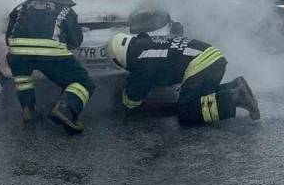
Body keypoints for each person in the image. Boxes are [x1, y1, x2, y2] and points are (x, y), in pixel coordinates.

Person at [4, 0, 96, 134]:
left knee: (23, 78)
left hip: (17, 54)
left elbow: (8, 36)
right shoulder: (66, 8)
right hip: (51, 55)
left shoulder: (21, 6)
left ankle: (28, 109)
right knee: (83, 82)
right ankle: (65, 109)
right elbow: (75, 41)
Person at [106, 32, 260, 125]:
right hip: (212, 56)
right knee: (201, 98)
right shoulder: (144, 44)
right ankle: (235, 87)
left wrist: (124, 99)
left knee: (187, 112)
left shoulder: (140, 60)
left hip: (201, 63)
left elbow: (133, 100)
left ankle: (235, 97)